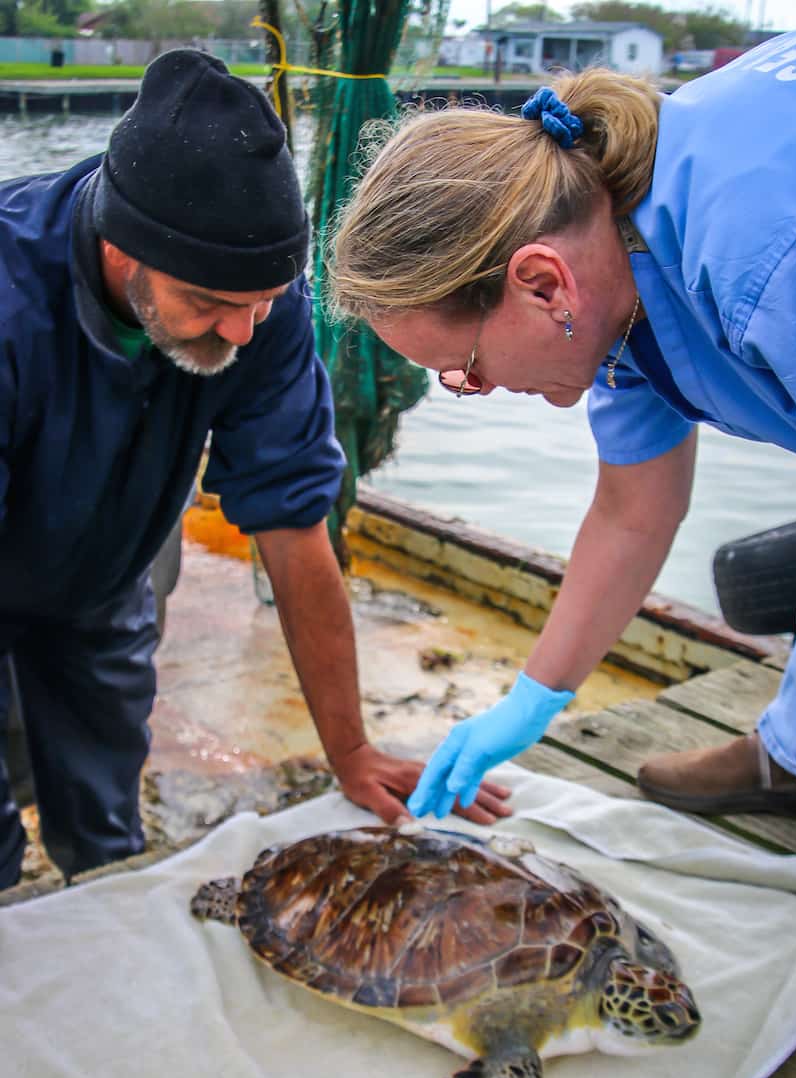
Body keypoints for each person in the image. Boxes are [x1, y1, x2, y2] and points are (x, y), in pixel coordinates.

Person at [0, 49, 512, 890]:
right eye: (208, 305)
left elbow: (295, 524)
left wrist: (349, 750)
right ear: (121, 249)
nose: (240, 334)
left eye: (260, 305)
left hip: (104, 575)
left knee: (104, 824)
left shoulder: (254, 308)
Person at [331, 32, 796, 822]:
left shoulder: (763, 259)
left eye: (465, 365)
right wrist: (531, 701)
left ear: (542, 282)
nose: (471, 389)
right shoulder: (613, 278)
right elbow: (632, 511)